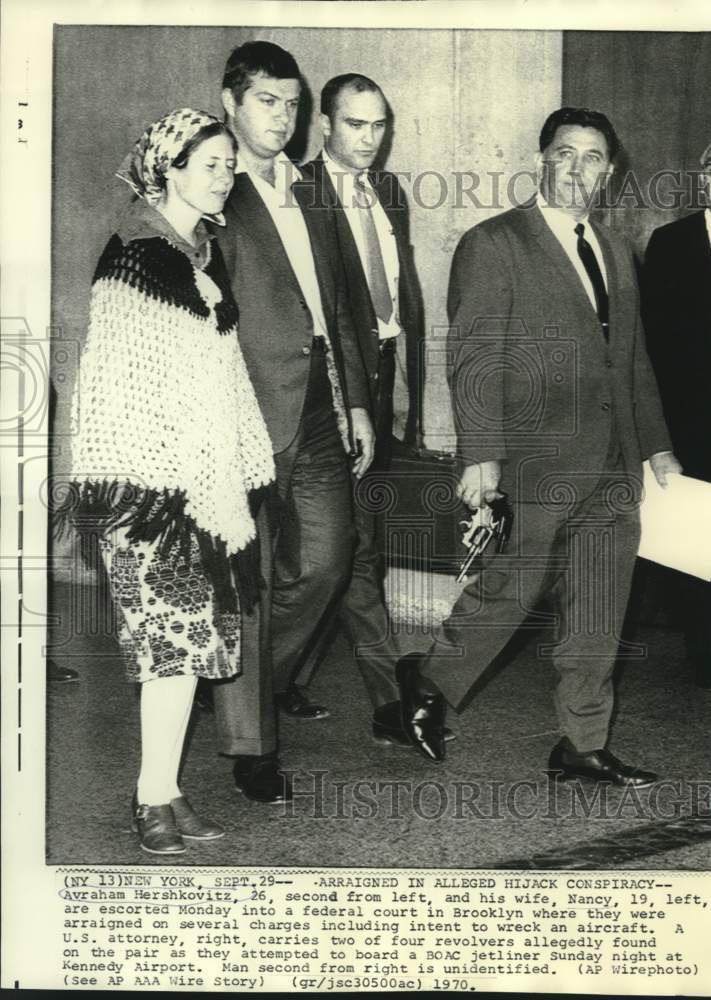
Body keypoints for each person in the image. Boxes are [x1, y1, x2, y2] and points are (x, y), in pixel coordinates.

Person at [395, 107, 682, 785]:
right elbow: (475, 357)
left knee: (601, 601)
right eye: (565, 153)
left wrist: (658, 446)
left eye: (592, 157)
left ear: (609, 172)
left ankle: (581, 742)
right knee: (512, 590)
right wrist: (481, 455)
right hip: (532, 455)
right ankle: (430, 684)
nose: (578, 168)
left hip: (613, 459)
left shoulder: (616, 251)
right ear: (541, 160)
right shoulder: (495, 242)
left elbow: (633, 359)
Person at [57, 108, 275, 854]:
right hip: (148, 492)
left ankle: (163, 790)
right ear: (169, 170)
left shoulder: (199, 256)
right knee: (168, 648)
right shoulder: (138, 256)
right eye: (212, 164)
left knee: (189, 648)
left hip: (195, 488)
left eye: (229, 164)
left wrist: (232, 467)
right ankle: (153, 799)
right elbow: (117, 387)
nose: (227, 176)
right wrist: (159, 486)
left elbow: (219, 373)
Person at [214, 41, 374, 801]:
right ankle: (252, 744)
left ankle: (241, 685)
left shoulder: (314, 191)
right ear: (231, 104)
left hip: (319, 403)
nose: (283, 117)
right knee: (248, 579)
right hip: (240, 407)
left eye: (292, 103)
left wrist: (358, 403)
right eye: (268, 101)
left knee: (326, 562)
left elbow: (340, 305)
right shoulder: (211, 191)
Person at [296, 74, 432, 747]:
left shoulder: (390, 193)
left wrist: (404, 392)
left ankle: (282, 679)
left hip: (381, 382)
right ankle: (384, 701)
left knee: (357, 545)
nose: (369, 140)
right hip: (327, 394)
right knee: (342, 550)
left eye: (379, 125)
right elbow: (328, 311)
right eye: (355, 125)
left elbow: (400, 303)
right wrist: (353, 401)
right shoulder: (299, 195)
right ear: (324, 125)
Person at [641, 137, 711, 690]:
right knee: (696, 551)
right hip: (693, 423)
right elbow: (650, 346)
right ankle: (708, 660)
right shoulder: (672, 244)